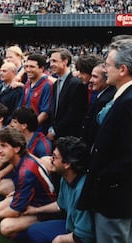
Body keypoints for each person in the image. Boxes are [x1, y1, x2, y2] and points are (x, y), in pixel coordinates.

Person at [78, 38, 132, 243]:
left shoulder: (128, 102)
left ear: (122, 69)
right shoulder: (123, 97)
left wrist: (103, 177)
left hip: (115, 198)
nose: (104, 69)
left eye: (108, 65)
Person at [0, 127, 56, 239]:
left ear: (17, 148)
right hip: (32, 199)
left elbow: (14, 211)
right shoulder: (21, 160)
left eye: (3, 146)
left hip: (44, 210)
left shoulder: (26, 170)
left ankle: (35, 232)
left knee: (5, 226)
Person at [25, 136, 94, 243]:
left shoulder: (82, 191)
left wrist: (60, 239)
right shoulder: (65, 178)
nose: (50, 159)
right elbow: (60, 205)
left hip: (80, 236)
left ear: (67, 164)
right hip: (70, 227)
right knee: (34, 231)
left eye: (55, 157)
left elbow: (84, 236)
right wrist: (36, 210)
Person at [47, 48, 88, 140]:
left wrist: (55, 131)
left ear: (65, 61)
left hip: (69, 136)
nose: (51, 64)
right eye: (50, 61)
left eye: (54, 61)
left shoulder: (76, 84)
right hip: (55, 134)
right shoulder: (55, 84)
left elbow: (74, 113)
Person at [81, 62, 116, 150]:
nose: (91, 80)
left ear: (107, 79)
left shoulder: (105, 100)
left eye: (95, 77)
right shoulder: (103, 95)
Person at [19, 53, 53, 133]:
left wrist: (30, 128)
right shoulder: (27, 84)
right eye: (26, 66)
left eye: (32, 67)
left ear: (41, 68)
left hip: (37, 131)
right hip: (25, 129)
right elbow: (21, 106)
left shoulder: (47, 85)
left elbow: (44, 114)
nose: (28, 69)